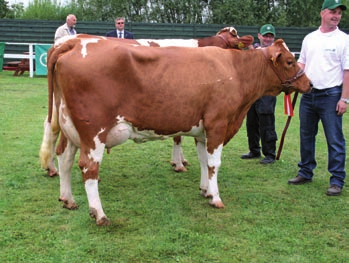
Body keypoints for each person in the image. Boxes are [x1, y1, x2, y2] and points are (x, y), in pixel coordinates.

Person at [288, 0, 349, 196]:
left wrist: (344, 99)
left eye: (339, 12)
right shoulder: (310, 38)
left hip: (331, 95)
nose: (336, 15)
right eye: (333, 11)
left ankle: (337, 179)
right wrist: (292, 83)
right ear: (322, 13)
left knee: (334, 139)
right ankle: (305, 171)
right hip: (308, 95)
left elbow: (347, 71)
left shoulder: (344, 40)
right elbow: (302, 64)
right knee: (306, 136)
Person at [240, 24, 277, 165]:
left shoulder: (276, 51)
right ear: (259, 36)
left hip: (267, 92)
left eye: (270, 36)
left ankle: (270, 154)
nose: (267, 38)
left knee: (266, 121)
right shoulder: (252, 50)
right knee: (252, 122)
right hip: (252, 92)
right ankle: (254, 150)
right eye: (265, 35)